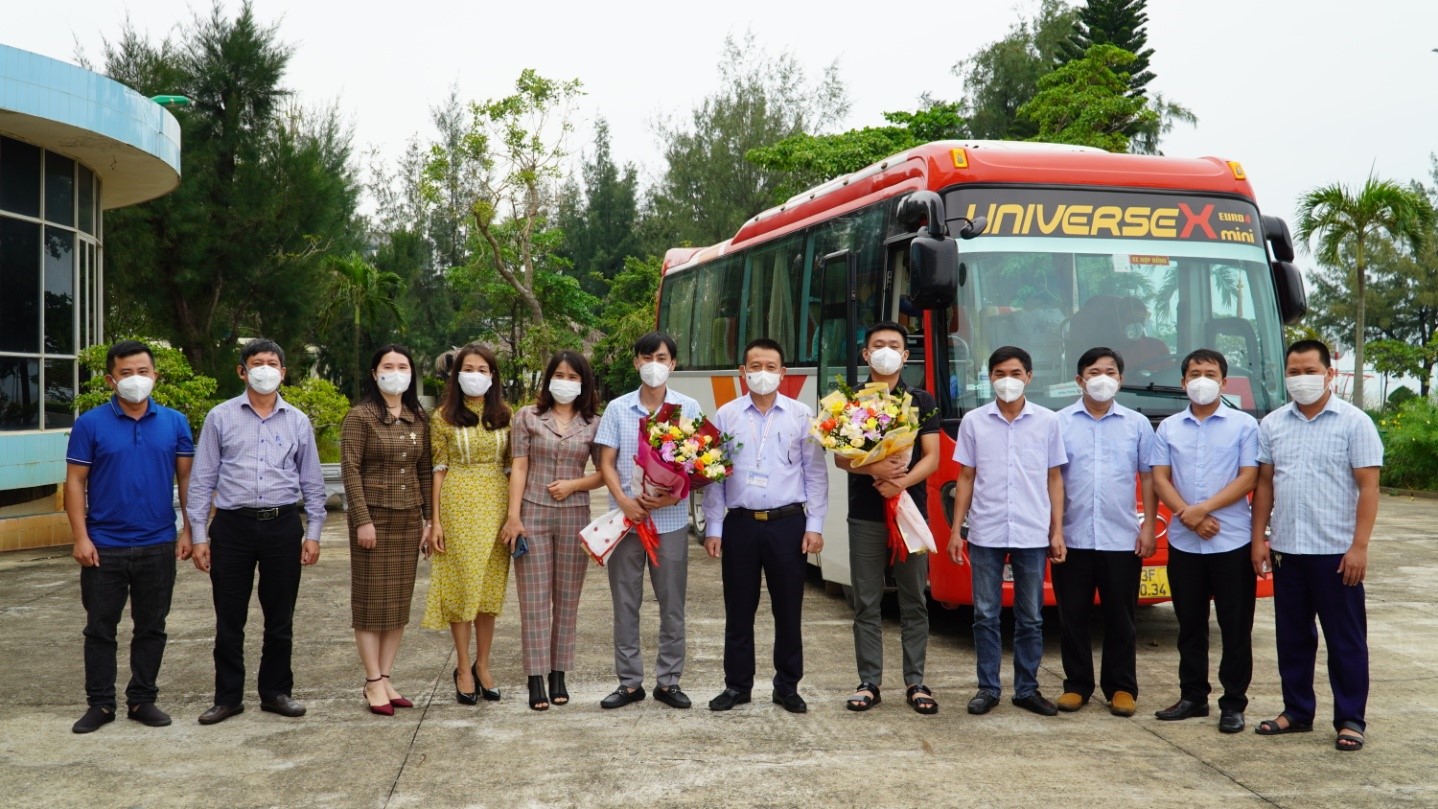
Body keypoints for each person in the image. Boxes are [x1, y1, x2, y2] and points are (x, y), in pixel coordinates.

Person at [1251, 340, 1383, 752]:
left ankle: (1350, 718)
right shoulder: (1273, 424)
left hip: (1336, 553)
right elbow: (1265, 485)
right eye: (1294, 372)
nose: (1301, 378)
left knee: (1345, 641)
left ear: (1329, 374)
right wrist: (1259, 539)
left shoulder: (1354, 422)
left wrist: (1359, 547)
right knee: (1292, 638)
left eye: (1310, 370)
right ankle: (1297, 711)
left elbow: (1369, 487)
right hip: (1287, 550)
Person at [188, 339, 327, 725]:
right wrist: (198, 535)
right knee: (229, 618)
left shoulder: (297, 420)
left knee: (280, 616)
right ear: (242, 371)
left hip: (282, 525)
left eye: (272, 363)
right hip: (232, 526)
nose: (265, 369)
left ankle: (276, 692)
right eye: (257, 363)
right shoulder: (220, 417)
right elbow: (202, 479)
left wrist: (314, 532)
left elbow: (312, 481)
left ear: (283, 372)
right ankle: (227, 697)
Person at [65, 340, 195, 733]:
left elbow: (188, 480)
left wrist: (190, 530)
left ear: (156, 376)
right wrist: (81, 537)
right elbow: (75, 482)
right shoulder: (90, 424)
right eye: (125, 373)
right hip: (104, 545)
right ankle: (101, 705)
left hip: (158, 542)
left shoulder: (175, 422)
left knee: (152, 626)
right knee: (100, 629)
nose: (135, 379)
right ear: (110, 379)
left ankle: (142, 699)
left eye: (142, 372)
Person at [702, 338, 827, 714]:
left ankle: (787, 686)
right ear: (743, 372)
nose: (763, 373)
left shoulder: (801, 415)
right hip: (740, 525)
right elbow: (714, 475)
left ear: (783, 372)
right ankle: (737, 686)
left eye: (770, 367)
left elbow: (815, 473)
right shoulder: (726, 414)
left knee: (788, 610)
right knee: (739, 610)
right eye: (755, 366)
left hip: (788, 524)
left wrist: (815, 524)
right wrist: (714, 527)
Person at [948, 345, 1068, 717]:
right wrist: (956, 531)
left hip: (1033, 531)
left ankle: (1027, 689)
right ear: (989, 378)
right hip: (985, 530)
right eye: (1000, 374)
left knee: (1030, 617)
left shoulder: (1048, 421)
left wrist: (1057, 530)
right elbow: (965, 477)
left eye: (1015, 374)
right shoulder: (974, 422)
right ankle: (988, 688)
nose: (1007, 381)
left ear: (1029, 377)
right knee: (985, 614)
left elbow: (1054, 478)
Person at [1150, 348, 1259, 734]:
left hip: (1232, 541)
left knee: (1235, 627)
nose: (1202, 380)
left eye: (1210, 374)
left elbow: (1249, 477)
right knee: (1190, 625)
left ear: (1224, 382)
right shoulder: (1168, 428)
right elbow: (1160, 478)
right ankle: (1193, 696)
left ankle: (1234, 703)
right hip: (1185, 543)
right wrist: (1189, 515)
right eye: (1194, 374)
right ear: (1183, 382)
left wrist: (1204, 510)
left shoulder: (1244, 425)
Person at [594, 331, 702, 710]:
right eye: (647, 357)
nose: (654, 365)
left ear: (673, 364)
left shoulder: (688, 408)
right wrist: (624, 502)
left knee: (672, 605)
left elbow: (698, 466)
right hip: (626, 523)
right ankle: (629, 683)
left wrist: (670, 495)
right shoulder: (617, 408)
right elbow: (605, 462)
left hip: (669, 522)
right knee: (625, 604)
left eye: (661, 358)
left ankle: (669, 682)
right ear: (636, 362)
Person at [837, 321, 941, 714]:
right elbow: (841, 457)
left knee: (914, 599)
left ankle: (916, 681)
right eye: (877, 345)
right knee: (866, 601)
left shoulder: (921, 400)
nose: (885, 351)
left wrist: (900, 483)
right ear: (866, 354)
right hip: (866, 515)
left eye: (893, 345)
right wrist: (873, 470)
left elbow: (932, 457)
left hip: (910, 513)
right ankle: (869, 682)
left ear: (905, 355)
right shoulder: (849, 400)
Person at [1053, 347, 1157, 717]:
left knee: (1121, 618)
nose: (1102, 379)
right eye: (1094, 372)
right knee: (1072, 617)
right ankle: (1076, 686)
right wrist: (1055, 529)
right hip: (1073, 536)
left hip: (1121, 538)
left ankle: (1122, 688)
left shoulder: (1137, 424)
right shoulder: (1059, 422)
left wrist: (1148, 527)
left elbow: (1149, 477)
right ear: (1079, 380)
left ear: (1120, 379)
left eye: (1110, 372)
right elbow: (1053, 479)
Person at [500, 350, 605, 711]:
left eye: (573, 377)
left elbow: (604, 473)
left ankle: (559, 674)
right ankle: (535, 678)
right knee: (533, 601)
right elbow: (519, 466)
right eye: (559, 375)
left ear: (583, 383)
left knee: (567, 600)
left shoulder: (594, 423)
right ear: (548, 380)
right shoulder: (527, 417)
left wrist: (574, 485)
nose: (565, 382)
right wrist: (513, 517)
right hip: (532, 513)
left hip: (575, 516)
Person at [340, 344, 433, 716]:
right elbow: (350, 471)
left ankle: (386, 676)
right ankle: (372, 679)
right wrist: (362, 520)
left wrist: (429, 520)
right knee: (369, 603)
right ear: (374, 373)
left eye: (403, 366)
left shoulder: (417, 418)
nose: (396, 373)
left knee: (397, 603)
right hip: (374, 520)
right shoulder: (360, 416)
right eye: (388, 366)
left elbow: (424, 471)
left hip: (408, 520)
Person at [423, 343, 511, 704]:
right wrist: (435, 521)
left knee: (489, 591)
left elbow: (513, 466)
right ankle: (462, 667)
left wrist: (514, 515)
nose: (475, 376)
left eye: (482, 370)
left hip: (497, 504)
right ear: (457, 374)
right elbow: (438, 470)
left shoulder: (506, 414)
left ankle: (483, 665)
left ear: (493, 376)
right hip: (458, 505)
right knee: (463, 586)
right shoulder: (442, 416)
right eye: (469, 369)